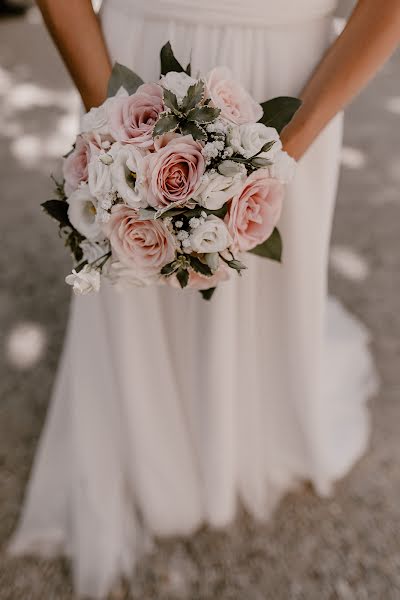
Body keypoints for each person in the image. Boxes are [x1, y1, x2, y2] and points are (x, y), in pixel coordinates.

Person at [9, 0, 400, 598]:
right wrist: (118, 137)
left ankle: (250, 433)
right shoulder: (122, 109)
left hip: (294, 82)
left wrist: (280, 155)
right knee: (135, 281)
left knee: (266, 283)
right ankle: (148, 445)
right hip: (134, 72)